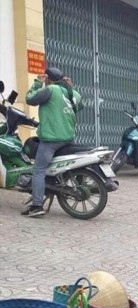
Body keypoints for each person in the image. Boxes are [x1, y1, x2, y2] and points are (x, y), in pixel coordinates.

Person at [22, 67, 82, 217]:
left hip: (51, 139)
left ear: (48, 78)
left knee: (38, 170)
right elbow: (79, 107)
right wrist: (70, 88)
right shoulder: (73, 93)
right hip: (68, 138)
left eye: (45, 77)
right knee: (50, 168)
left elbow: (30, 99)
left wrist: (37, 83)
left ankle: (36, 206)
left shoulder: (51, 90)